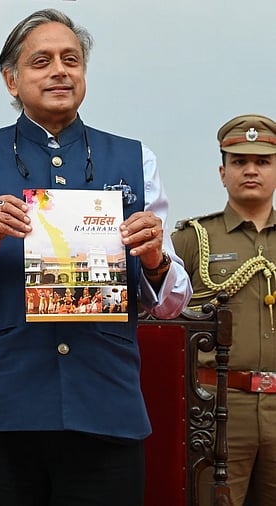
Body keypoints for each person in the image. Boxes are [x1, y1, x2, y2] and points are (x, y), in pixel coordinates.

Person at [0, 9, 192, 505]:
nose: (60, 71)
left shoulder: (135, 159)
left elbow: (173, 303)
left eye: (71, 59)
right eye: (41, 61)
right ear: (11, 80)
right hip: (3, 408)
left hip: (104, 405)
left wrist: (156, 261)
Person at [171, 114, 276, 506]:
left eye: (262, 161)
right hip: (219, 408)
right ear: (222, 172)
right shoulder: (192, 239)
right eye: (239, 161)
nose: (250, 170)